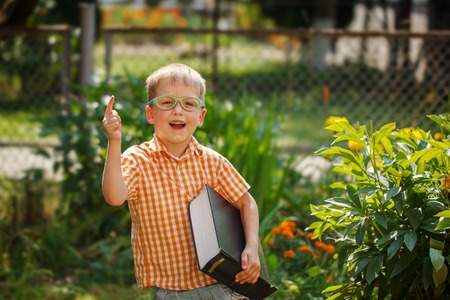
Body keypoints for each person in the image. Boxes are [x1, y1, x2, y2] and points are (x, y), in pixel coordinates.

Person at [101, 63, 261, 299]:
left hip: (223, 284)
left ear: (201, 116)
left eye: (189, 104)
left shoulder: (212, 162)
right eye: (167, 102)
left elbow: (247, 203)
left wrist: (251, 247)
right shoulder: (137, 159)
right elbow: (114, 197)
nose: (178, 111)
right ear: (150, 114)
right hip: (171, 292)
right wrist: (115, 141)